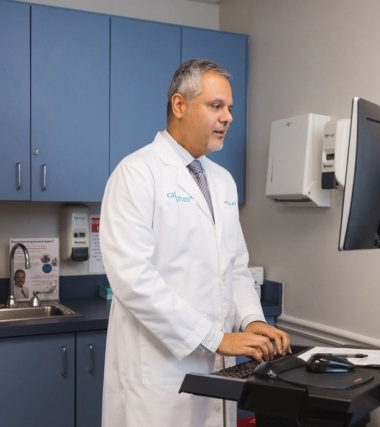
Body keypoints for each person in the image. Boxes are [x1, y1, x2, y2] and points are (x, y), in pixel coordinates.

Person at [99, 58, 291, 427]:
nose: (228, 118)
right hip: (159, 375)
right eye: (216, 106)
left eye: (230, 108)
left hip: (216, 367)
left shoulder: (222, 182)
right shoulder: (136, 173)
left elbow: (234, 267)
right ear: (179, 105)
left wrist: (250, 320)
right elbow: (132, 278)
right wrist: (215, 338)